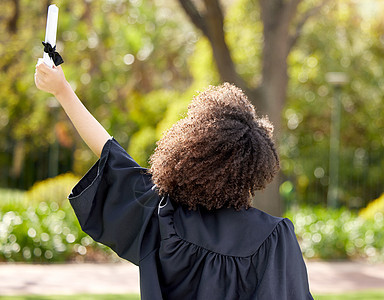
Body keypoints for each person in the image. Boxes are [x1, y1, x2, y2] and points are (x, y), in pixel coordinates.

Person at [35, 62, 314, 300]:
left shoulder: (164, 217)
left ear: (189, 154)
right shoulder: (273, 238)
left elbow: (111, 153)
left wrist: (62, 90)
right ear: (255, 167)